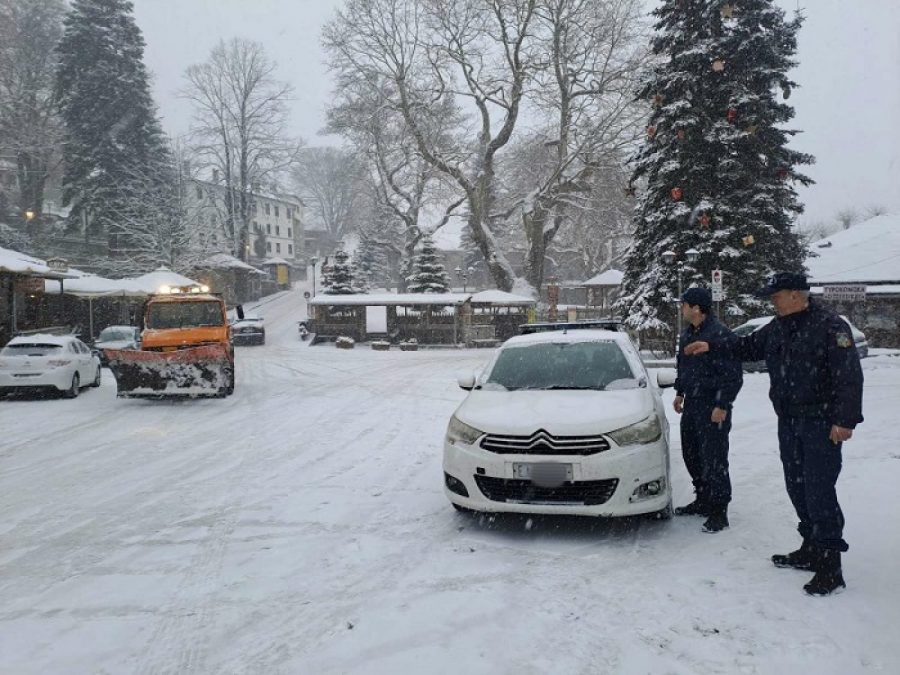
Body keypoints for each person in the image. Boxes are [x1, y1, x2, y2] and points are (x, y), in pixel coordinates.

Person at [683, 272, 863, 595]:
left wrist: (845, 421)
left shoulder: (830, 326)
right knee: (797, 487)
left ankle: (830, 566)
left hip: (821, 425)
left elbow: (849, 376)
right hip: (789, 421)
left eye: (776, 296)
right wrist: (712, 344)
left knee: (819, 490)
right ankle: (810, 547)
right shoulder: (778, 327)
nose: (772, 302)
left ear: (796, 295)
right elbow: (746, 346)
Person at [672, 287, 743, 533]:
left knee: (714, 459)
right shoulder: (687, 334)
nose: (681, 309)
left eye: (684, 304)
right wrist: (679, 392)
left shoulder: (720, 335)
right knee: (691, 454)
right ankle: (702, 499)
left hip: (713, 405)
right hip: (692, 403)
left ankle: (719, 511)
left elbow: (733, 375)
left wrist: (722, 405)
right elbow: (683, 365)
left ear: (696, 308)